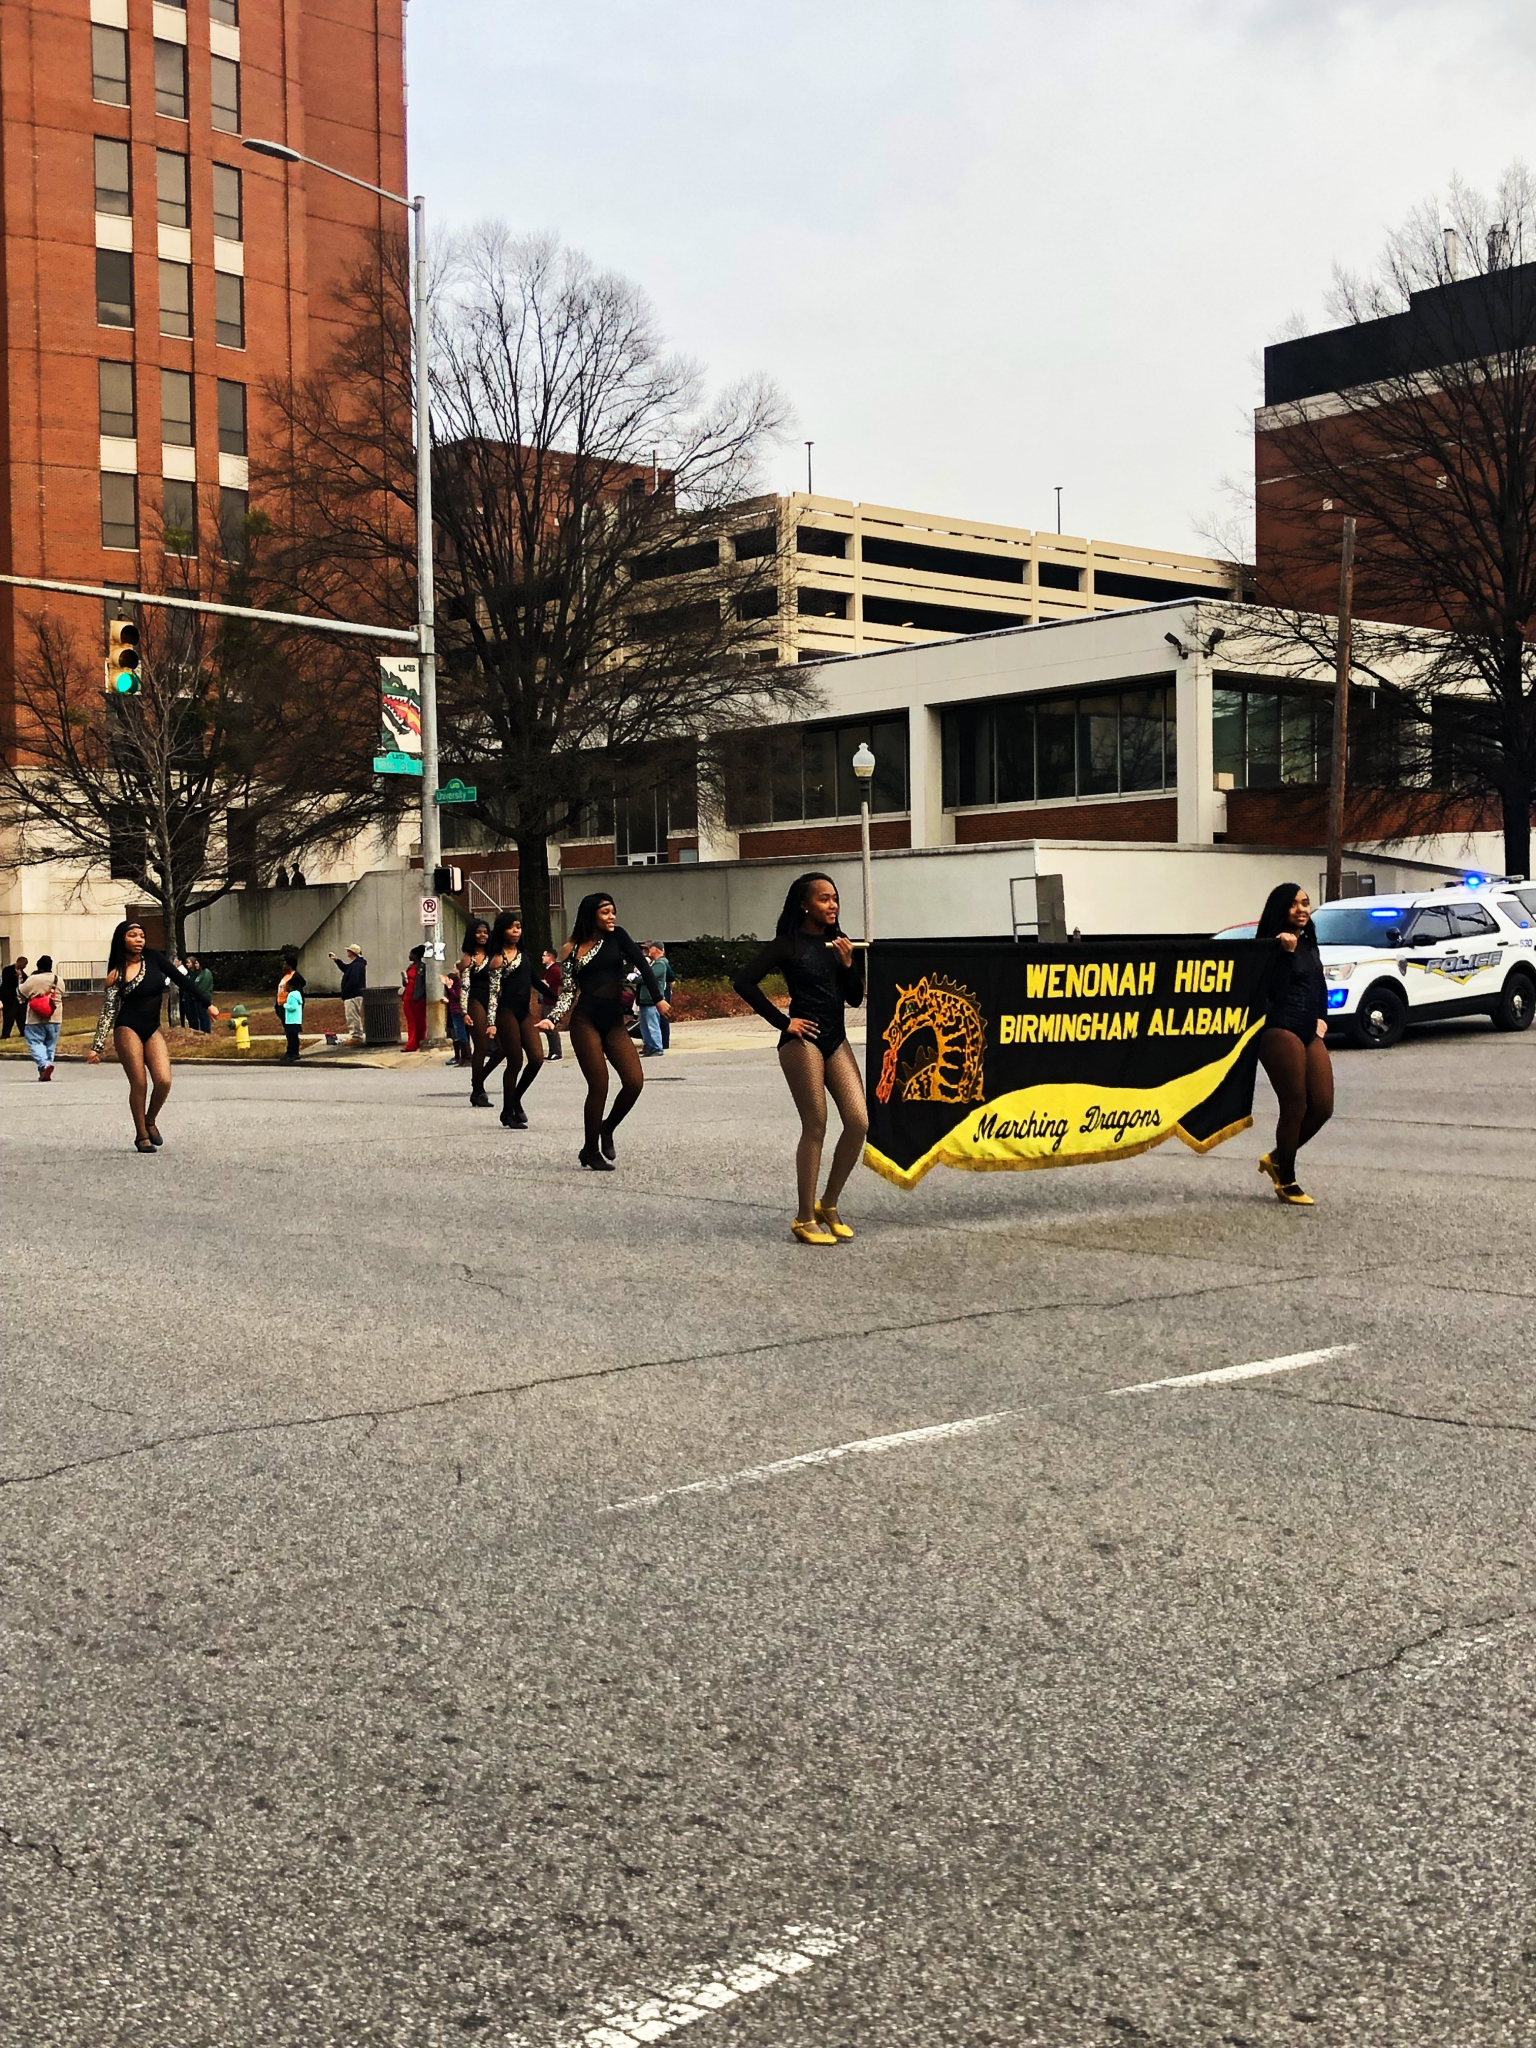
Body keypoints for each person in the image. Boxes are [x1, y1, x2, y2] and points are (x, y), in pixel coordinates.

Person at [734, 871, 868, 1245]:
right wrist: (784, 1022)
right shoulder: (787, 945)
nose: (832, 905)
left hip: (835, 1038)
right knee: (817, 1124)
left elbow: (856, 999)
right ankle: (804, 1217)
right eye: (824, 899)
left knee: (858, 1122)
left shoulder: (839, 945)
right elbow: (743, 981)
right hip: (802, 1040)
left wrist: (847, 963)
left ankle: (830, 1203)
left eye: (835, 899)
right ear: (804, 904)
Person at [554, 892, 666, 1170]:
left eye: (613, 912)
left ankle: (606, 1128)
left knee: (634, 1082)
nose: (612, 917)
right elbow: (568, 990)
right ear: (591, 915)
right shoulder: (571, 948)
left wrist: (659, 997)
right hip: (585, 1022)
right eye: (606, 913)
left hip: (614, 1022)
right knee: (599, 1085)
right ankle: (590, 1150)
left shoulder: (618, 937)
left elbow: (643, 966)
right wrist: (554, 1017)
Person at [87, 919, 210, 1150]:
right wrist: (97, 1046)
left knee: (163, 1080)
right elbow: (108, 1011)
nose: (139, 940)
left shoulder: (154, 958)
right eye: (132, 935)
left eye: (141, 936)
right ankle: (141, 1135)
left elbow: (181, 980)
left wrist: (207, 1004)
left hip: (152, 1028)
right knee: (139, 1083)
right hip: (127, 1028)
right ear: (122, 939)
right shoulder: (116, 974)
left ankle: (150, 1119)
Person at [1256, 881, 1334, 1207]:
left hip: (1307, 1028)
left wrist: (1323, 1016)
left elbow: (1318, 982)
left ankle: (1277, 1158)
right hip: (1278, 1029)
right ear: (1281, 909)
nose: (1301, 909)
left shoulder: (1308, 942)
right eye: (1293, 905)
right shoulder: (1270, 946)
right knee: (1295, 1106)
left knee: (1323, 1106)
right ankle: (1286, 1180)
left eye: (1305, 903)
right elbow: (1271, 992)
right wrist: (1284, 955)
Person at [486, 908, 544, 1129]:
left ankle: (515, 1099)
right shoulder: (497, 960)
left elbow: (535, 981)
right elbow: (493, 993)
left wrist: (556, 995)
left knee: (537, 1057)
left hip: (524, 1012)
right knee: (515, 1061)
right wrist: (490, 1022)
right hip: (505, 1012)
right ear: (502, 931)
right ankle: (507, 1112)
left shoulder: (524, 956)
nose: (516, 931)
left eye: (518, 927)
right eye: (512, 928)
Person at [455, 917, 500, 1104]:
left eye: (485, 932)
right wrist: (464, 1012)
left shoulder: (494, 956)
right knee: (481, 1046)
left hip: (494, 1001)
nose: (482, 935)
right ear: (472, 934)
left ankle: (478, 1080)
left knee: (503, 1048)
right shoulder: (468, 958)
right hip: (474, 1001)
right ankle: (478, 1091)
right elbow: (464, 987)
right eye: (478, 932)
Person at [18, 955, 64, 1080]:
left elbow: (20, 992)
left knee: (35, 1042)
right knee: (50, 1044)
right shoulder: (58, 980)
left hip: (35, 1018)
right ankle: (45, 1068)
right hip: (55, 1017)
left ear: (38, 966)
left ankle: (44, 1065)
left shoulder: (33, 979)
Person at [636, 942, 673, 1057]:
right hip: (645, 999)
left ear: (657, 949)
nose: (648, 951)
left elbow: (649, 977)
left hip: (651, 1000)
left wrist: (635, 979)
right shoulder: (654, 963)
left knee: (652, 1024)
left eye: (650, 948)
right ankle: (650, 1047)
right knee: (645, 1026)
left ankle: (657, 1047)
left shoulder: (660, 963)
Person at [331, 944, 367, 1044]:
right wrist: (336, 960)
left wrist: (345, 991)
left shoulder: (356, 965)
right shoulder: (356, 964)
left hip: (352, 995)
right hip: (354, 994)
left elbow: (353, 980)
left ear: (352, 952)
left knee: (353, 1016)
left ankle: (356, 1036)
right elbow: (345, 968)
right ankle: (356, 1035)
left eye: (349, 951)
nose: (347, 952)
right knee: (354, 1015)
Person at [277, 951, 306, 1063]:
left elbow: (299, 991)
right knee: (288, 1031)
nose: (283, 966)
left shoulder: (295, 976)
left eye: (285, 964)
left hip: (290, 1009)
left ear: (290, 965)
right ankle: (290, 1051)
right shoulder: (285, 976)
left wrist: (292, 1006)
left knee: (292, 1031)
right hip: (283, 1006)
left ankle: (293, 1052)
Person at [538, 948, 564, 1060]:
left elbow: (547, 985)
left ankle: (556, 1051)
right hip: (545, 1001)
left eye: (545, 956)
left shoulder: (554, 970)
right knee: (546, 1028)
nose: (542, 958)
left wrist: (543, 983)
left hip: (550, 1002)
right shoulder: (547, 970)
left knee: (551, 1027)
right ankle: (552, 1051)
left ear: (550, 957)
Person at [402, 944, 428, 1052]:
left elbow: (424, 983)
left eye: (411, 954)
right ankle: (411, 1043)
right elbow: (406, 983)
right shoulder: (410, 967)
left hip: (417, 997)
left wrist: (420, 994)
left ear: (416, 955)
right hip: (408, 996)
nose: (409, 956)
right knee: (411, 1020)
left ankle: (419, 1040)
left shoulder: (422, 967)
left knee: (420, 1021)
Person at [444, 965, 471, 1066]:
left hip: (458, 1010)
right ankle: (463, 1057)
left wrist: (450, 987)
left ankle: (466, 1057)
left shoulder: (459, 983)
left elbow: (457, 996)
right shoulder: (456, 982)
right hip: (454, 1010)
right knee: (459, 1034)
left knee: (461, 1034)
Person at [2, 956, 29, 1039]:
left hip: (20, 999)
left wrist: (20, 977)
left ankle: (23, 1032)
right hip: (9, 998)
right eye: (23, 965)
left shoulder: (23, 974)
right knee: (9, 1017)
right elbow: (7, 982)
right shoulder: (7, 970)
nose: (24, 967)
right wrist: (16, 977)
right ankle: (5, 1034)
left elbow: (25, 984)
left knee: (21, 1017)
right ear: (18, 962)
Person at [188, 957, 215, 1033]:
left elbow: (202, 986)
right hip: (198, 998)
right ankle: (202, 1031)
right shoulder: (200, 973)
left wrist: (197, 992)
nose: (195, 965)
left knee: (204, 1016)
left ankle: (207, 1031)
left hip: (204, 997)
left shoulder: (206, 973)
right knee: (200, 1016)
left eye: (197, 963)